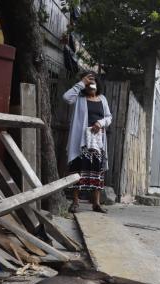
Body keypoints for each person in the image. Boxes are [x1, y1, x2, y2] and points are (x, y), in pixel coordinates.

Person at [62, 71, 112, 213]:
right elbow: (66, 98)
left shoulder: (103, 99)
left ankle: (96, 204)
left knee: (97, 171)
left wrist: (100, 123)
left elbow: (109, 117)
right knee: (78, 170)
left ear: (98, 84)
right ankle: (75, 202)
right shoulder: (79, 98)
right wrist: (81, 83)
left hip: (97, 141)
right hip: (81, 141)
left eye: (93, 81)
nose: (91, 85)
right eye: (88, 82)